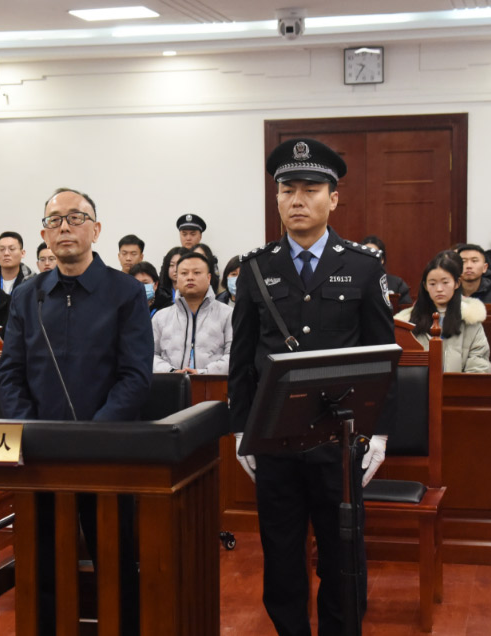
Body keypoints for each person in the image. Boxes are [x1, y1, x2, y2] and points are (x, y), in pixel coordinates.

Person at [229, 138, 395, 636]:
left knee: (343, 554)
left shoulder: (362, 266)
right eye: (287, 190)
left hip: (337, 438)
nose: (297, 200)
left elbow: (383, 355)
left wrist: (379, 433)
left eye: (310, 189)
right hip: (274, 438)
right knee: (280, 553)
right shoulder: (255, 267)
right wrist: (240, 430)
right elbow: (242, 357)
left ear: (333, 198)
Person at [0, 187, 152, 635]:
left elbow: (135, 376)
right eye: (55, 220)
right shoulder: (27, 296)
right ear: (44, 234)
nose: (64, 227)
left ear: (96, 229)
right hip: (40, 457)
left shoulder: (125, 292)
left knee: (115, 563)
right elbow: (10, 374)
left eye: (76, 218)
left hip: (106, 455)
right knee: (43, 563)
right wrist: (31, 433)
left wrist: (93, 438)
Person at [395, 251, 491, 372]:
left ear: (457, 283)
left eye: (445, 282)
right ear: (425, 286)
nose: (439, 289)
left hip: (459, 383)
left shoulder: (471, 319)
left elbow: (479, 365)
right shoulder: (406, 322)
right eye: (432, 284)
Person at [152, 252, 233, 374]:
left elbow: (234, 354)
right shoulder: (160, 317)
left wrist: (204, 373)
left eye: (197, 273)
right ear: (177, 278)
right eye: (184, 273)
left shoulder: (228, 314)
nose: (190, 277)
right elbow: (150, 354)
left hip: (213, 383)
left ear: (208, 278)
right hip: (171, 383)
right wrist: (172, 372)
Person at [362, 234, 412, 305]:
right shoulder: (352, 284)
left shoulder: (397, 284)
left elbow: (406, 309)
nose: (370, 259)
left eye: (374, 254)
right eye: (366, 254)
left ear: (382, 259)